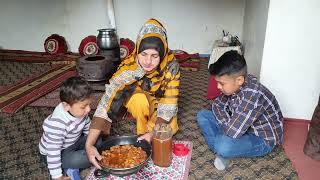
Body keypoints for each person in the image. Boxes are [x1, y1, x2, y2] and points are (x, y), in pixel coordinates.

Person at [85, 18, 181, 169]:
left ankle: (147, 136)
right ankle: (142, 134)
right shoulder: (128, 67)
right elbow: (107, 102)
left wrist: (152, 134)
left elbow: (169, 103)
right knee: (139, 101)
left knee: (170, 126)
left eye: (154, 56)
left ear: (162, 53)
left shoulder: (171, 67)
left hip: (160, 101)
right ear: (137, 50)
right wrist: (89, 144)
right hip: (138, 97)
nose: (148, 62)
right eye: (143, 54)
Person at [197, 50, 283, 170]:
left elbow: (233, 132)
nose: (218, 87)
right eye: (217, 82)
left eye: (221, 83)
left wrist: (227, 128)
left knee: (223, 145)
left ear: (239, 80)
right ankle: (223, 150)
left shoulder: (252, 95)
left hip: (261, 139)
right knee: (203, 115)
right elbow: (217, 105)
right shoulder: (234, 86)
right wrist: (227, 124)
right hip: (239, 127)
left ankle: (222, 150)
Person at [39, 76, 96, 180]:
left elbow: (88, 126)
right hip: (57, 153)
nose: (88, 109)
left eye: (89, 104)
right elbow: (53, 151)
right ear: (66, 106)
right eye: (84, 106)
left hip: (73, 142)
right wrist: (57, 176)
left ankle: (76, 161)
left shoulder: (80, 112)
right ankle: (68, 169)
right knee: (84, 158)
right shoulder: (57, 124)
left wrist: (90, 143)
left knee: (97, 138)